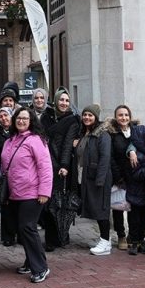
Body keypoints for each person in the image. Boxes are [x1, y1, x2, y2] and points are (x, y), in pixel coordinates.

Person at [1, 108, 53, 283]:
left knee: (28, 228)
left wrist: (44, 191)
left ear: (31, 121)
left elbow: (45, 167)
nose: (21, 121)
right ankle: (30, 261)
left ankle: (41, 267)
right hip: (14, 193)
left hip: (32, 192)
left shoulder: (36, 140)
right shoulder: (10, 141)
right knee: (21, 229)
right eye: (18, 118)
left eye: (25, 118)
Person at [42, 87, 80, 251]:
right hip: (45, 163)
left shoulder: (72, 120)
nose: (64, 103)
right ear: (56, 100)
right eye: (61, 100)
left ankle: (62, 235)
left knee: (61, 202)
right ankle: (51, 237)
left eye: (66, 100)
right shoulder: (46, 116)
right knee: (48, 203)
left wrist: (64, 165)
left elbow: (67, 145)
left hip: (61, 167)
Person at [73, 104, 113, 256]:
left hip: (98, 177)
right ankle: (104, 240)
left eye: (90, 115)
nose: (87, 118)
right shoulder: (85, 133)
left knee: (101, 209)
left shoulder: (103, 134)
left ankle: (105, 242)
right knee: (96, 209)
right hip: (86, 176)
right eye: (85, 115)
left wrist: (100, 180)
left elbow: (105, 158)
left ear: (96, 117)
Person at [104, 105, 135, 251]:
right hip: (119, 177)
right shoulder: (112, 134)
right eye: (120, 115)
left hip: (135, 176)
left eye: (126, 115)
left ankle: (134, 235)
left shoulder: (136, 131)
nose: (124, 118)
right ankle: (121, 234)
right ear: (116, 117)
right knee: (118, 207)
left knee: (134, 207)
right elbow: (110, 157)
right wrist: (118, 177)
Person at [124, 125, 145, 255]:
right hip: (135, 192)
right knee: (134, 218)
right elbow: (136, 174)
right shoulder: (137, 154)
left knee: (144, 218)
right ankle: (133, 241)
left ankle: (141, 240)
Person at [0, 106, 18, 246]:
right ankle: (8, 236)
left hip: (19, 173)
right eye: (0, 116)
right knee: (5, 205)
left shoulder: (17, 132)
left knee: (19, 205)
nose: (3, 118)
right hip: (4, 174)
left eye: (6, 115)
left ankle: (20, 233)